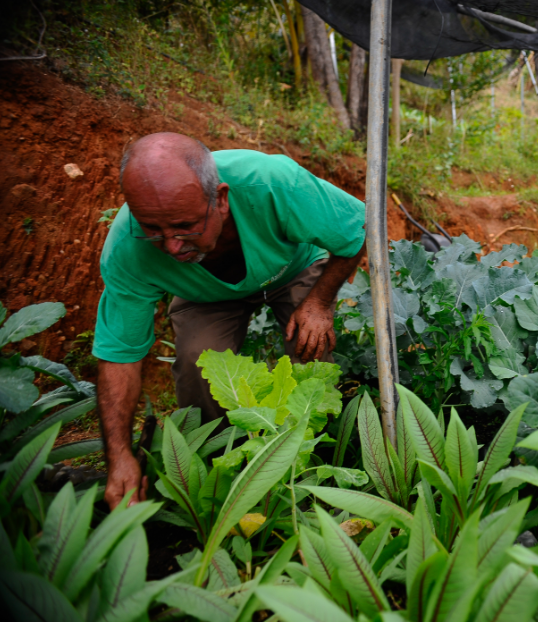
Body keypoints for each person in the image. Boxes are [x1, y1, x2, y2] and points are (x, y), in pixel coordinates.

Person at [94, 132, 366, 510]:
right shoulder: (128, 248)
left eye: (185, 226)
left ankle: (316, 468)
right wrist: (119, 456)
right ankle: (220, 471)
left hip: (292, 265)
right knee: (197, 363)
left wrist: (319, 302)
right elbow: (119, 355)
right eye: (154, 231)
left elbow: (356, 228)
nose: (172, 246)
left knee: (310, 352)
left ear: (220, 200)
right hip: (205, 291)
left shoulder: (272, 182)